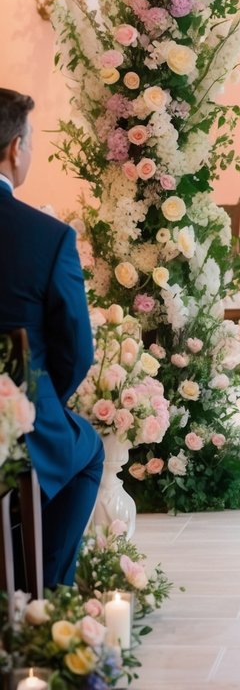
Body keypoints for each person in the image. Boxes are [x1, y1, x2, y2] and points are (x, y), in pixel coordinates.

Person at [0, 88, 103, 587]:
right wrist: (42, 404)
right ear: (15, 149)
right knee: (87, 451)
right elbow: (76, 349)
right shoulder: (47, 237)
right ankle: (40, 595)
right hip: (15, 431)